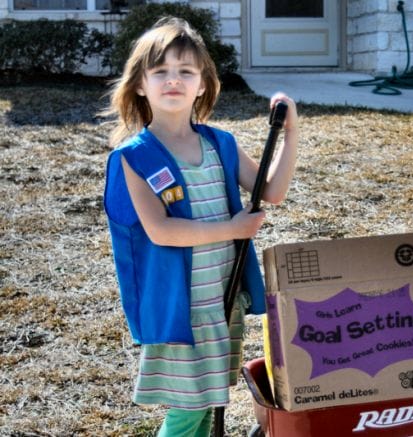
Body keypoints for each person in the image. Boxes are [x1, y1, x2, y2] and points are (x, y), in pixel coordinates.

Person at [102, 17, 297, 436]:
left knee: (207, 405)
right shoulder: (134, 158)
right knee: (188, 412)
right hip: (181, 309)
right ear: (140, 84)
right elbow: (161, 231)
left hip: (222, 302)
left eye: (186, 72)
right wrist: (233, 228)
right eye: (161, 72)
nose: (174, 81)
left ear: (204, 84)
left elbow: (272, 190)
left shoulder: (219, 144)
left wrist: (290, 131)